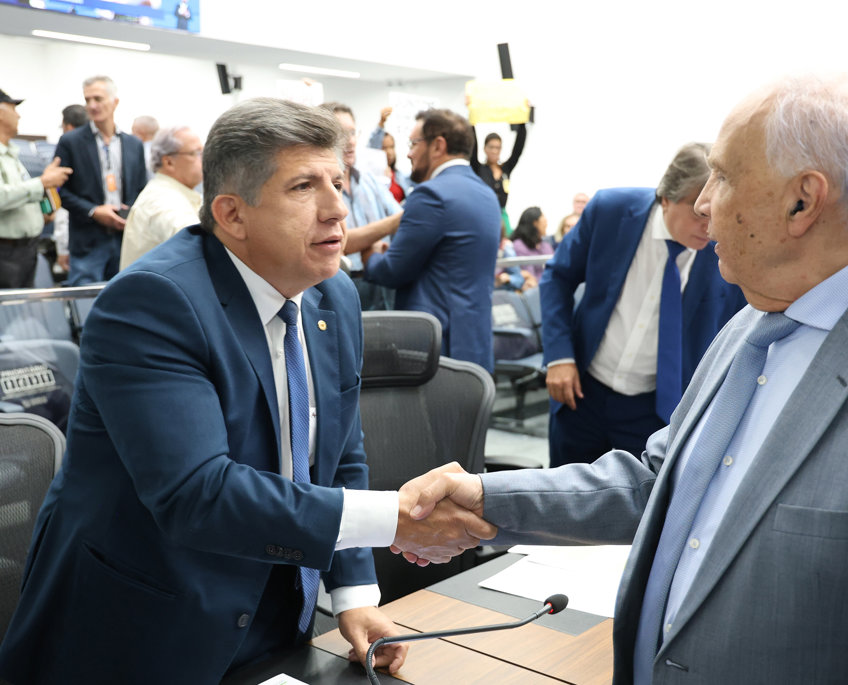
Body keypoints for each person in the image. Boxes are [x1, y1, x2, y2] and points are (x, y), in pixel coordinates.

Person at [407, 73, 848, 683]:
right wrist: (488, 497)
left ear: (802, 201)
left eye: (724, 177)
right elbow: (661, 483)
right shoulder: (754, 322)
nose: (703, 203)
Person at [0, 97, 495, 684]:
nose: (338, 209)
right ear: (232, 214)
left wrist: (355, 594)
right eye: (305, 186)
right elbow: (199, 495)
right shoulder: (153, 303)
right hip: (147, 629)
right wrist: (396, 519)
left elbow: (339, 456)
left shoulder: (332, 295)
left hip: (276, 612)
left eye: (338, 182)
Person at [542, 143, 747, 466]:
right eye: (699, 214)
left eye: (717, 212)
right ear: (666, 198)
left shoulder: (726, 250)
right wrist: (559, 357)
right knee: (559, 489)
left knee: (643, 495)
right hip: (582, 391)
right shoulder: (610, 211)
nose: (709, 228)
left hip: (657, 409)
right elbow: (557, 277)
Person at [362, 108, 501, 372]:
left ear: (438, 145)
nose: (409, 154)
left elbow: (393, 270)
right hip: (475, 343)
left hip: (437, 349)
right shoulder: (487, 194)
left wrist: (372, 257)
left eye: (414, 144)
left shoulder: (431, 195)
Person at [55, 75, 147, 285]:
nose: (92, 105)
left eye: (98, 99)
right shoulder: (71, 141)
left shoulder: (133, 145)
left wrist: (129, 211)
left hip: (125, 238)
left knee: (125, 297)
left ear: (115, 102)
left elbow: (142, 189)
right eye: (87, 100)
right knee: (85, 299)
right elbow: (60, 191)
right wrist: (93, 211)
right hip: (87, 241)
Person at [321, 102, 402, 310]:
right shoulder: (320, 189)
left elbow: (403, 221)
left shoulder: (369, 180)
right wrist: (391, 224)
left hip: (380, 281)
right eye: (341, 134)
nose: (350, 141)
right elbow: (342, 241)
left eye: (352, 133)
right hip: (344, 283)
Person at [0, 87, 72, 288]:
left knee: (23, 306)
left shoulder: (10, 154)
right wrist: (42, 183)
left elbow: (17, 195)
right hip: (6, 253)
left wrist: (41, 212)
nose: (18, 115)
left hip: (24, 250)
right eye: (13, 109)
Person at [118, 126, 203, 269]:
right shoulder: (163, 200)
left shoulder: (170, 193)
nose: (204, 158)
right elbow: (196, 242)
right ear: (169, 162)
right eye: (196, 153)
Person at [52, 104, 89, 275]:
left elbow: (62, 206)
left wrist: (62, 248)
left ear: (68, 127)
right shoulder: (100, 151)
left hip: (78, 242)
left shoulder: (66, 151)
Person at [470, 124, 526, 235]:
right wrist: (471, 123)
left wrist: (522, 124)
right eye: (491, 147)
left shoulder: (505, 169)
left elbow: (518, 150)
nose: (494, 151)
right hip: (483, 215)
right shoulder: (479, 169)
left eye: (498, 147)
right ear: (485, 148)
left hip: (502, 216)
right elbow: (473, 147)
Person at [368, 106, 415, 203]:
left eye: (392, 147)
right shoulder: (372, 179)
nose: (389, 152)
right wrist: (381, 123)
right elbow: (373, 145)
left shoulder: (400, 176)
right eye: (384, 148)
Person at [510, 206, 554, 282]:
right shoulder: (519, 245)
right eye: (544, 220)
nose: (546, 223)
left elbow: (554, 269)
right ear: (535, 223)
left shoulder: (545, 245)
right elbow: (529, 276)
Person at [132, 114, 159, 179]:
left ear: (141, 132)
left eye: (133, 131)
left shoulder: (140, 153)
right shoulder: (164, 150)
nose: (131, 134)